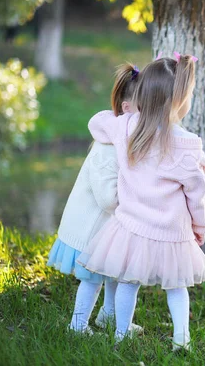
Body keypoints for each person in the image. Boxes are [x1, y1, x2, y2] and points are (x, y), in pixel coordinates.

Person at [78, 52, 205, 351]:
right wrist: (200, 227)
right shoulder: (189, 145)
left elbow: (96, 122)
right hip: (173, 231)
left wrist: (122, 118)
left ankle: (121, 335)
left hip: (131, 227)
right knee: (177, 286)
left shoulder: (127, 128)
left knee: (128, 282)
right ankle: (182, 338)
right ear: (180, 100)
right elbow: (196, 195)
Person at [47, 63, 141, 335]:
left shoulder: (123, 142)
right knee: (92, 280)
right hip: (89, 232)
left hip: (107, 231)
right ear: (126, 109)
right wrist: (136, 192)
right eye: (145, 109)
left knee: (116, 272)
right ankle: (77, 325)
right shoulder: (107, 149)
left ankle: (109, 316)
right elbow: (107, 200)